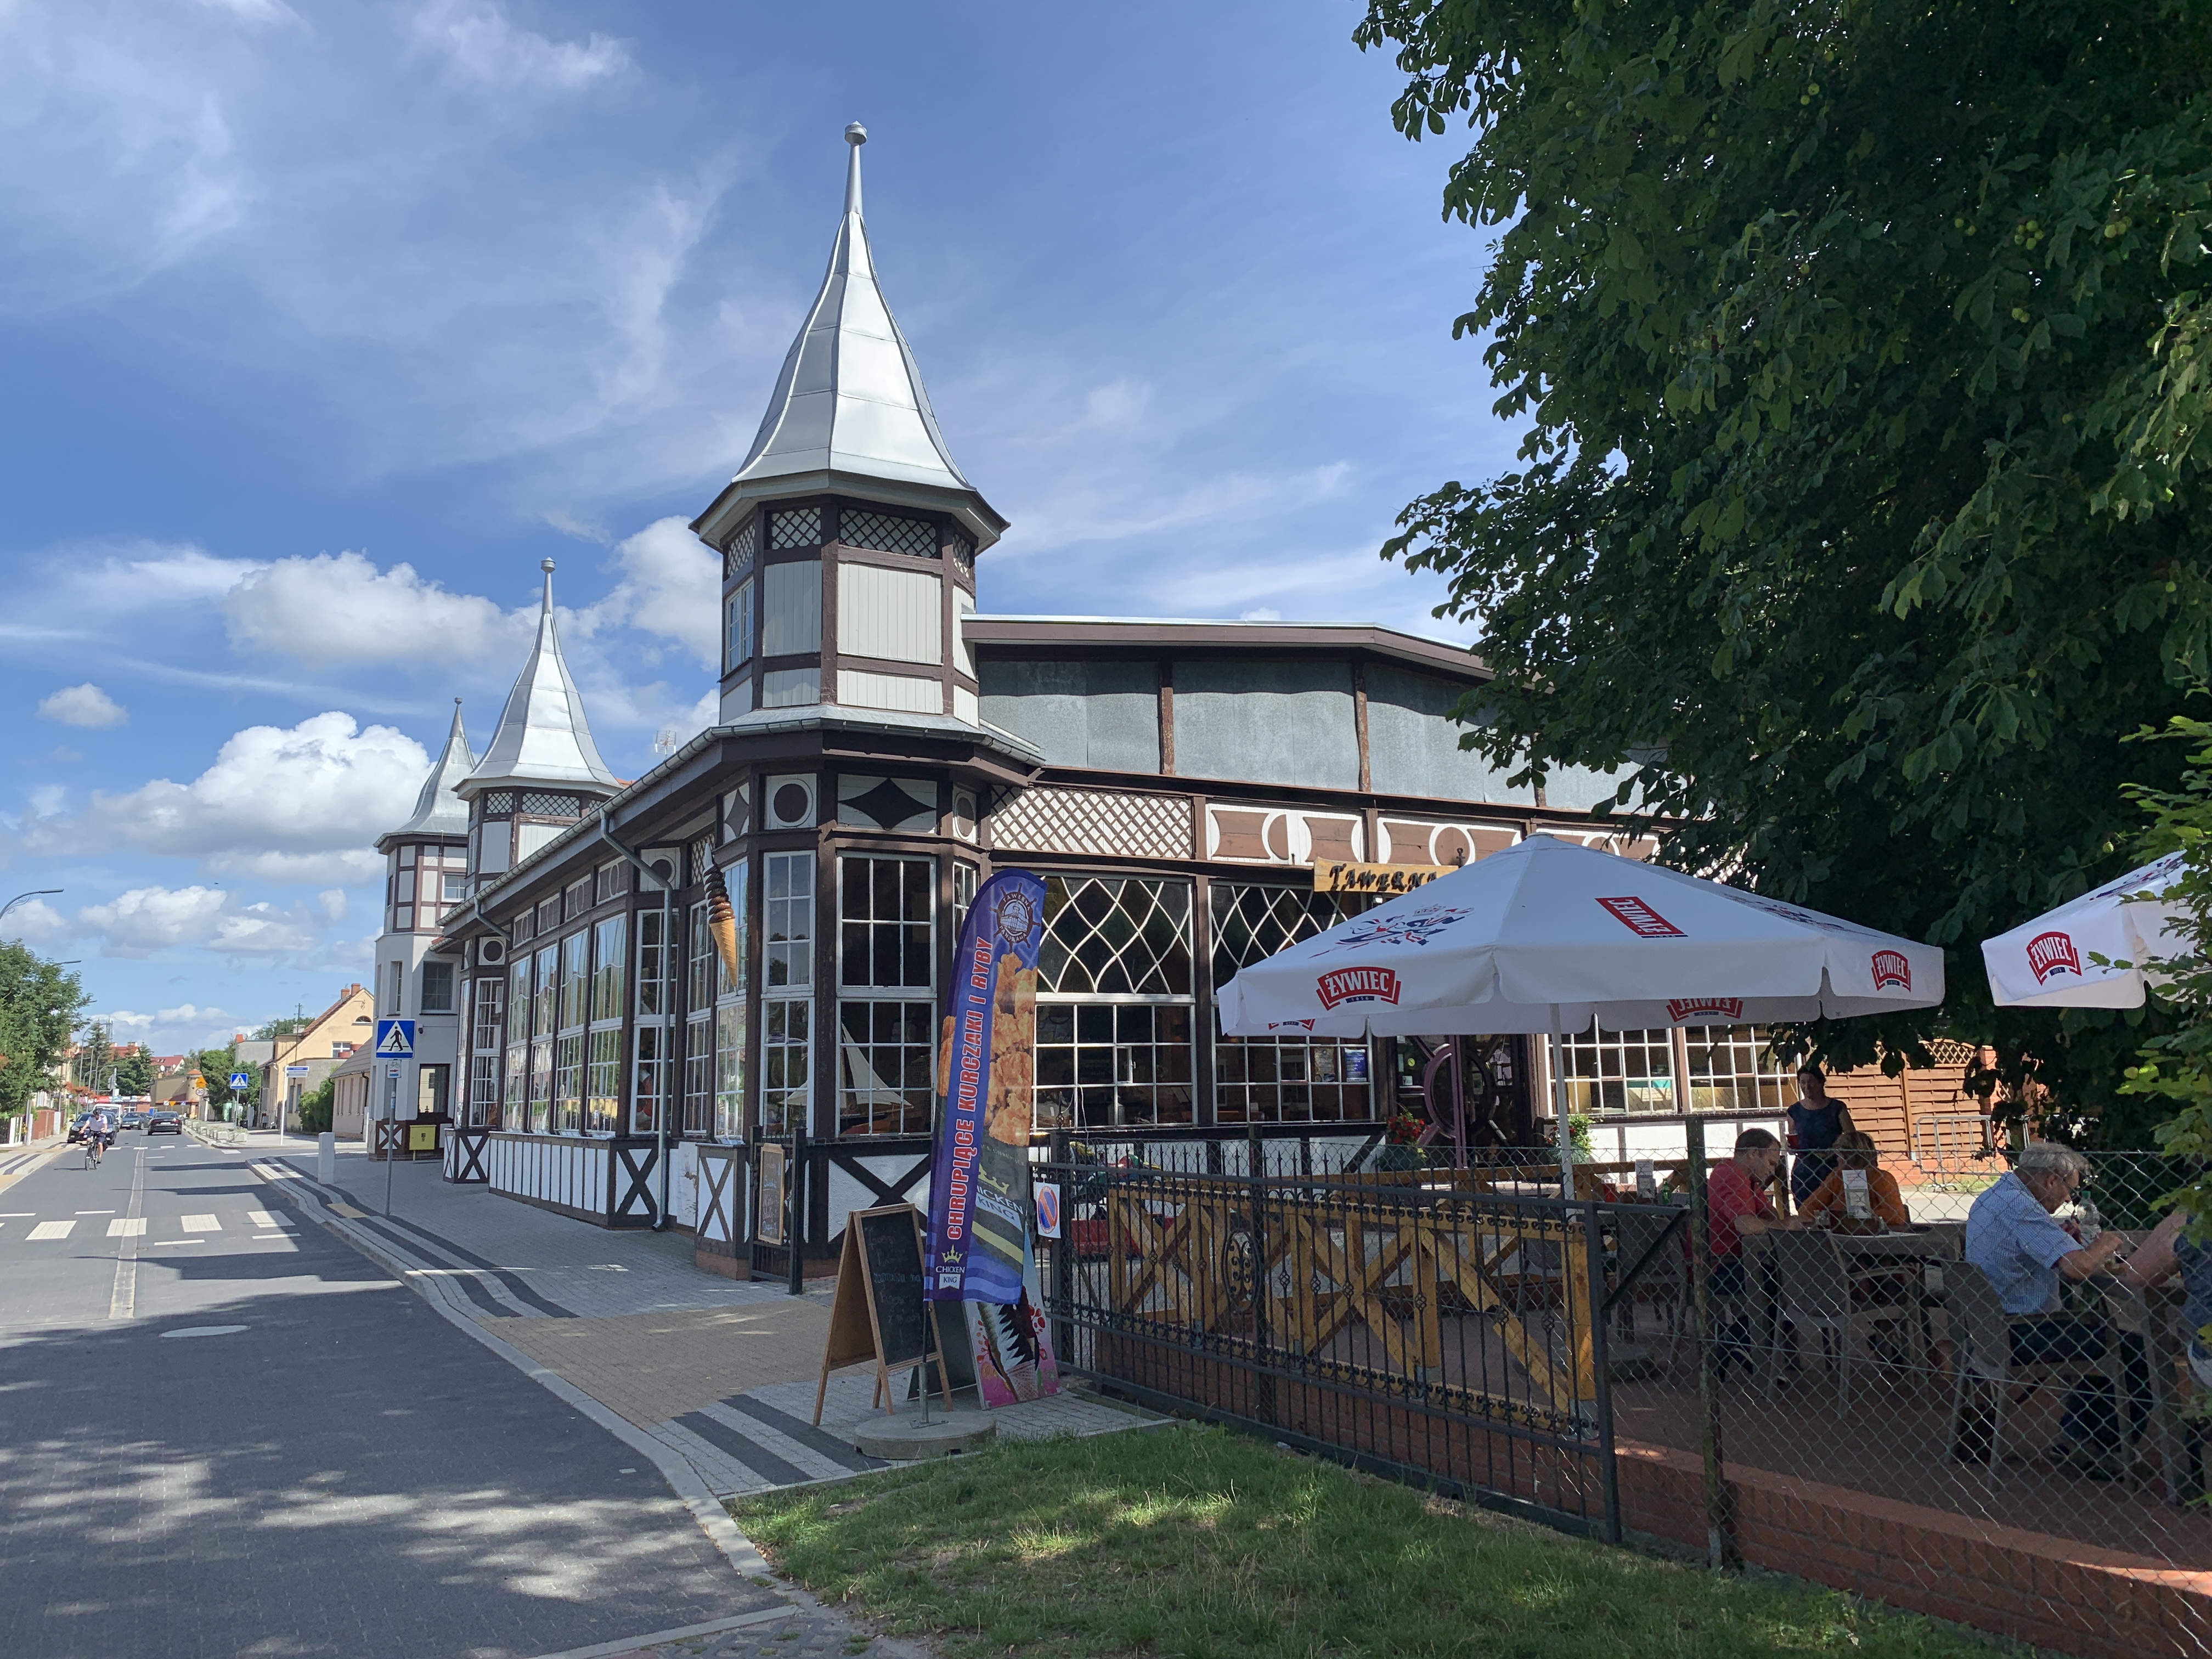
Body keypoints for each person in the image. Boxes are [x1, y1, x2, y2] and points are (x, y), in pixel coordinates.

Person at [1961, 1143, 2149, 1478]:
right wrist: (2108, 1241)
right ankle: (2099, 1446)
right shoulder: (2021, 1207)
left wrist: (2060, 1241)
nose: (2068, 1200)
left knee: (2096, 1332)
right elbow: (2078, 1269)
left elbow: (2036, 1250)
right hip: (2023, 1329)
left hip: (1988, 1327)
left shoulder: (1994, 1197)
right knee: (2137, 1348)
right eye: (2069, 1190)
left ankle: (2078, 1435)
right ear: (2051, 1180)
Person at [1798, 1130, 1910, 1227]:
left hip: (1879, 1237)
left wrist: (1860, 1216)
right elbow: (1807, 1209)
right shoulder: (1837, 1176)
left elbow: (1897, 1216)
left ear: (1851, 1157)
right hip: (1841, 1235)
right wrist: (1835, 1216)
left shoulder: (1882, 1179)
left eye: (1839, 1156)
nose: (1837, 1160)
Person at [1785, 1063, 1853, 1209]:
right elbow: (1793, 1139)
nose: (1807, 1087)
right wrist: (1789, 1147)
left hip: (1834, 1168)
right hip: (1805, 1173)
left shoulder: (1837, 1108)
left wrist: (1832, 1151)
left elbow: (1852, 1139)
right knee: (1807, 1213)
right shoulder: (1794, 1111)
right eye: (1803, 1082)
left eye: (1811, 1082)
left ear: (1821, 1083)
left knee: (1837, 1212)